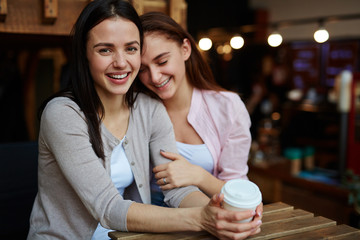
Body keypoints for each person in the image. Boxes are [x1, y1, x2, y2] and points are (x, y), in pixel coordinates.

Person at [27, 1, 262, 240]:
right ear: (84, 54)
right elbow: (109, 208)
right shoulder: (63, 114)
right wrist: (203, 218)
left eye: (130, 49)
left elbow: (178, 192)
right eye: (105, 50)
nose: (120, 62)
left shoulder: (149, 108)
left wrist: (222, 214)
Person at [137, 11, 256, 209]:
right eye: (142, 69)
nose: (155, 77)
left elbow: (239, 190)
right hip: (145, 222)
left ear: (185, 49)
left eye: (162, 61)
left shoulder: (227, 106)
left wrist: (198, 176)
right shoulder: (136, 109)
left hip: (205, 219)